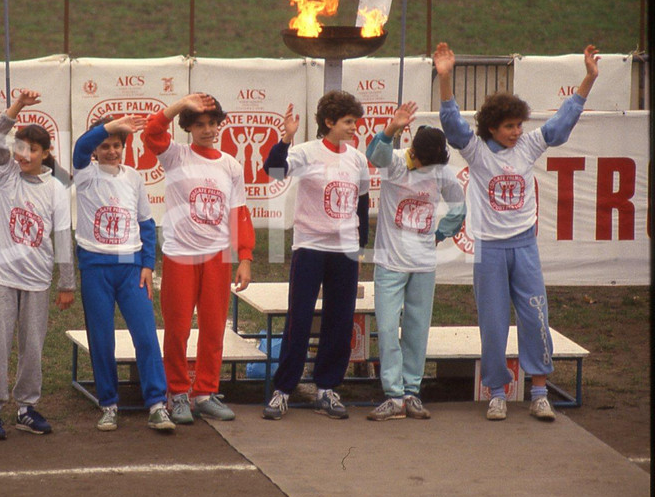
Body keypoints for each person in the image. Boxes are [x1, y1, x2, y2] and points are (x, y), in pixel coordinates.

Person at [435, 41, 599, 421]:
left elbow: (561, 123)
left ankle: (539, 392)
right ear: (492, 127)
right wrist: (445, 79)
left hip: (524, 246)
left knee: (535, 317)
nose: (516, 131)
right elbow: (452, 125)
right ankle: (497, 392)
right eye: (509, 126)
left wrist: (588, 79)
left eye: (519, 125)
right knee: (493, 325)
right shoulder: (476, 151)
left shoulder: (528, 145)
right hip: (489, 249)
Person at [141, 93, 254, 423]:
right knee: (177, 330)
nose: (207, 130)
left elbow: (239, 213)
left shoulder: (230, 165)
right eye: (199, 124)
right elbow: (151, 132)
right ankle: (177, 393)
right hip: (180, 255)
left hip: (218, 257)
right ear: (188, 127)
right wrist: (182, 104)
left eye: (212, 124)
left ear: (220, 126)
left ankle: (205, 392)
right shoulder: (176, 155)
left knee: (214, 328)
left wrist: (245, 257)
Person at [260, 91, 369, 420]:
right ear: (329, 122)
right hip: (309, 246)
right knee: (300, 318)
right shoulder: (306, 152)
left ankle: (327, 388)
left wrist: (360, 245)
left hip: (344, 250)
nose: (354, 127)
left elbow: (362, 203)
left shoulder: (357, 159)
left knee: (340, 319)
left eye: (355, 121)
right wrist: (285, 139)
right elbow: (274, 170)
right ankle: (283, 390)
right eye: (348, 122)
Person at [0, 91, 74, 438]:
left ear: (46, 153)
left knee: (32, 348)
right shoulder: (7, 175)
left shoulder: (56, 189)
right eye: (21, 148)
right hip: (3, 277)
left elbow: (62, 237)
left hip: (37, 280)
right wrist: (16, 107)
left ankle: (26, 407)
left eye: (33, 150)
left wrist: (66, 283)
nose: (25, 155)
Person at [364, 102, 466, 421]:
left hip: (423, 265)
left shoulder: (440, 172)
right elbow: (374, 155)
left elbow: (459, 207)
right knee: (386, 328)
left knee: (417, 330)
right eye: (422, 164)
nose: (425, 170)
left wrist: (441, 233)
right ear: (413, 153)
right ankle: (393, 395)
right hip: (390, 263)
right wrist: (391, 128)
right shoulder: (395, 163)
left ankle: (411, 392)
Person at [73, 114, 174, 432]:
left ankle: (157, 404)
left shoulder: (133, 177)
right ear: (95, 149)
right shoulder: (84, 173)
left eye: (117, 145)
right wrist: (107, 127)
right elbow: (80, 147)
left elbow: (146, 223)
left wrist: (147, 265)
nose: (111, 151)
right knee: (101, 339)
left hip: (131, 267)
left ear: (124, 147)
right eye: (104, 145)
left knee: (145, 335)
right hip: (95, 267)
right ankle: (109, 404)